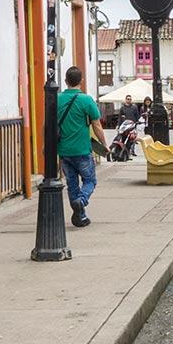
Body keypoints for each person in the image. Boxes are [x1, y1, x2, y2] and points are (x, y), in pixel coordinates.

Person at [55, 66, 104, 228]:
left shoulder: (57, 99)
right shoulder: (87, 100)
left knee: (72, 184)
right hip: (82, 150)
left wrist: (44, 146)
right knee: (90, 180)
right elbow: (96, 125)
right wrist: (104, 145)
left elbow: (47, 125)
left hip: (64, 151)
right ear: (81, 81)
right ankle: (81, 201)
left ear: (65, 81)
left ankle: (80, 217)